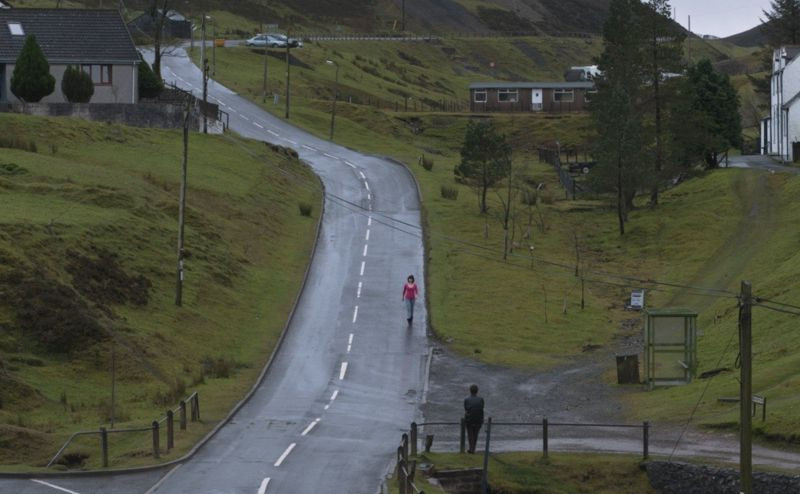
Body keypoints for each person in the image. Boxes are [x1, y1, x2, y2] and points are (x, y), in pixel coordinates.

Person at [463, 384, 484, 454]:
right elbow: (482, 408)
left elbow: (466, 409)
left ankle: (471, 449)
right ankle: (473, 449)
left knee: (470, 435)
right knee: (475, 435)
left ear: (470, 391)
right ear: (477, 391)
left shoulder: (466, 399)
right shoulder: (481, 399)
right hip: (478, 419)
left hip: (469, 419)